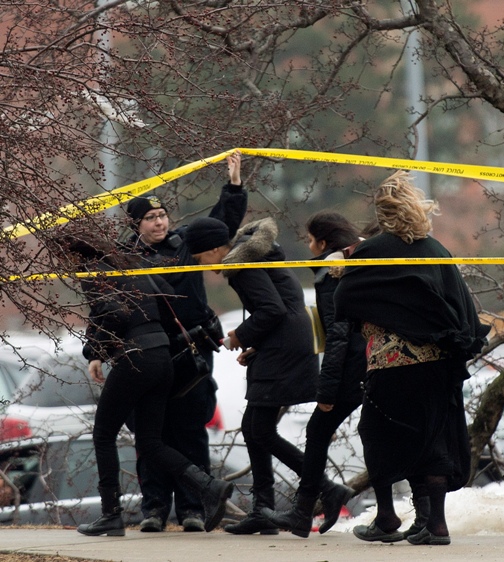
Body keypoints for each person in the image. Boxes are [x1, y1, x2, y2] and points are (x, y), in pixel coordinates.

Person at [333, 171, 490, 546]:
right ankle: (435, 524)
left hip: (392, 364)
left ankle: (386, 516)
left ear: (383, 213)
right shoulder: (437, 249)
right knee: (432, 438)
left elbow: (345, 300)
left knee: (376, 432)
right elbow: (462, 305)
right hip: (437, 365)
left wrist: (344, 271)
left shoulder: (372, 249)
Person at [61, 236, 233, 537]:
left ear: (75, 256)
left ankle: (110, 515)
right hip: (162, 357)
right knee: (151, 442)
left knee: (103, 434)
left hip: (135, 358)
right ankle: (209, 485)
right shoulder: (133, 266)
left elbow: (111, 313)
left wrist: (98, 351)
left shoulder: (93, 271)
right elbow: (168, 298)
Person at [123, 150, 247, 532]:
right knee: (152, 434)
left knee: (190, 431)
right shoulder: (124, 258)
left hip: (192, 352)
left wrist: (234, 186)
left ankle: (192, 508)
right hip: (150, 354)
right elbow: (108, 306)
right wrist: (96, 350)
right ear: (137, 224)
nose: (159, 222)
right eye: (151, 218)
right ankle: (155, 508)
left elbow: (219, 223)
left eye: (162, 216)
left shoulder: (184, 245)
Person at [184, 215, 326, 536]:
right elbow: (282, 306)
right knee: (254, 428)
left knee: (259, 430)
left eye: (201, 257)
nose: (203, 266)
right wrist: (257, 347)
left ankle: (325, 488)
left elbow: (272, 310)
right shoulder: (252, 256)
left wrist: (241, 336)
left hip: (285, 347)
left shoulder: (241, 264)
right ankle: (264, 510)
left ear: (217, 249)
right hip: (281, 344)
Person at [260, 211, 367, 537]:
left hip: (353, 367)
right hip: (376, 361)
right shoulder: (360, 259)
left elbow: (338, 333)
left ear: (323, 241)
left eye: (310, 240)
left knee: (318, 430)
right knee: (376, 435)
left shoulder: (330, 272)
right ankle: (314, 508)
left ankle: (305, 510)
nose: (308, 247)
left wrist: (327, 389)